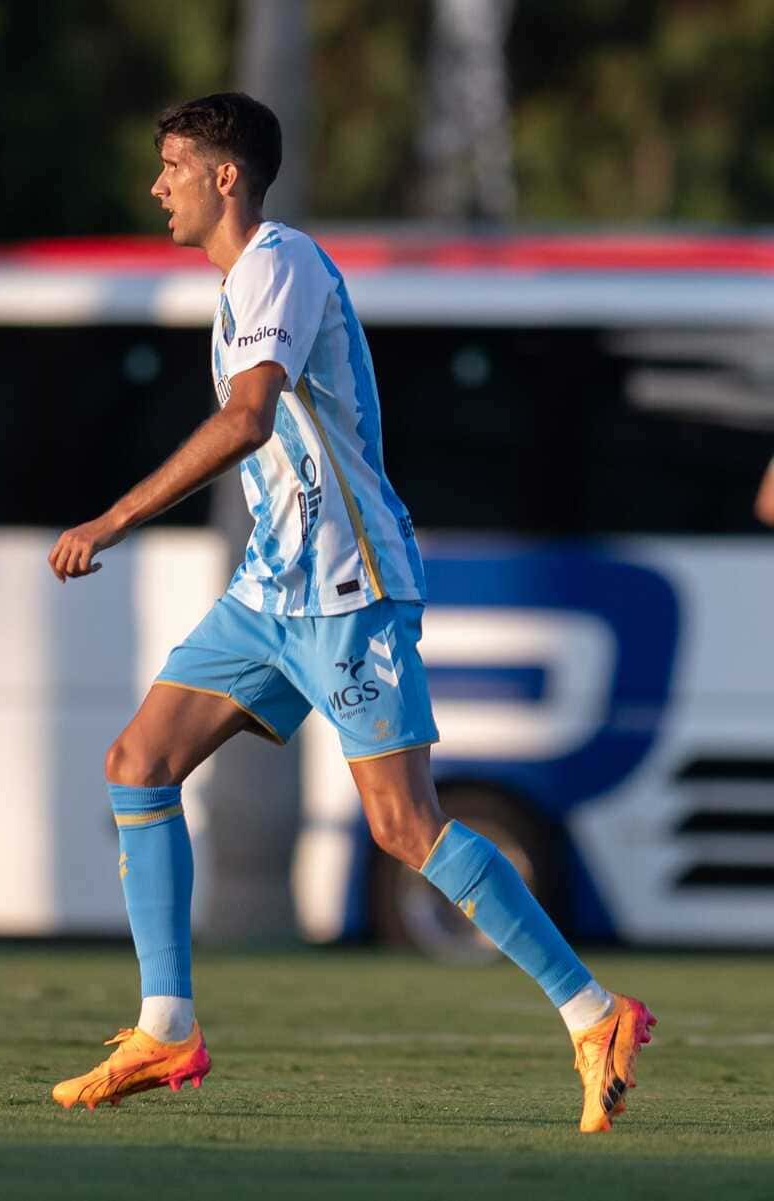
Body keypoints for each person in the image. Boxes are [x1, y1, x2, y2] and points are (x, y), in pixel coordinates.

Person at [46, 93, 655, 1133]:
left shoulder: (279, 261)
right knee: (138, 762)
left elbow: (248, 418)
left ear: (225, 177)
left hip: (346, 587)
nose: (157, 186)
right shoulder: (238, 284)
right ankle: (166, 1026)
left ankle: (595, 1013)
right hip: (269, 589)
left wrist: (115, 517)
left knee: (403, 823)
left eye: (172, 166)